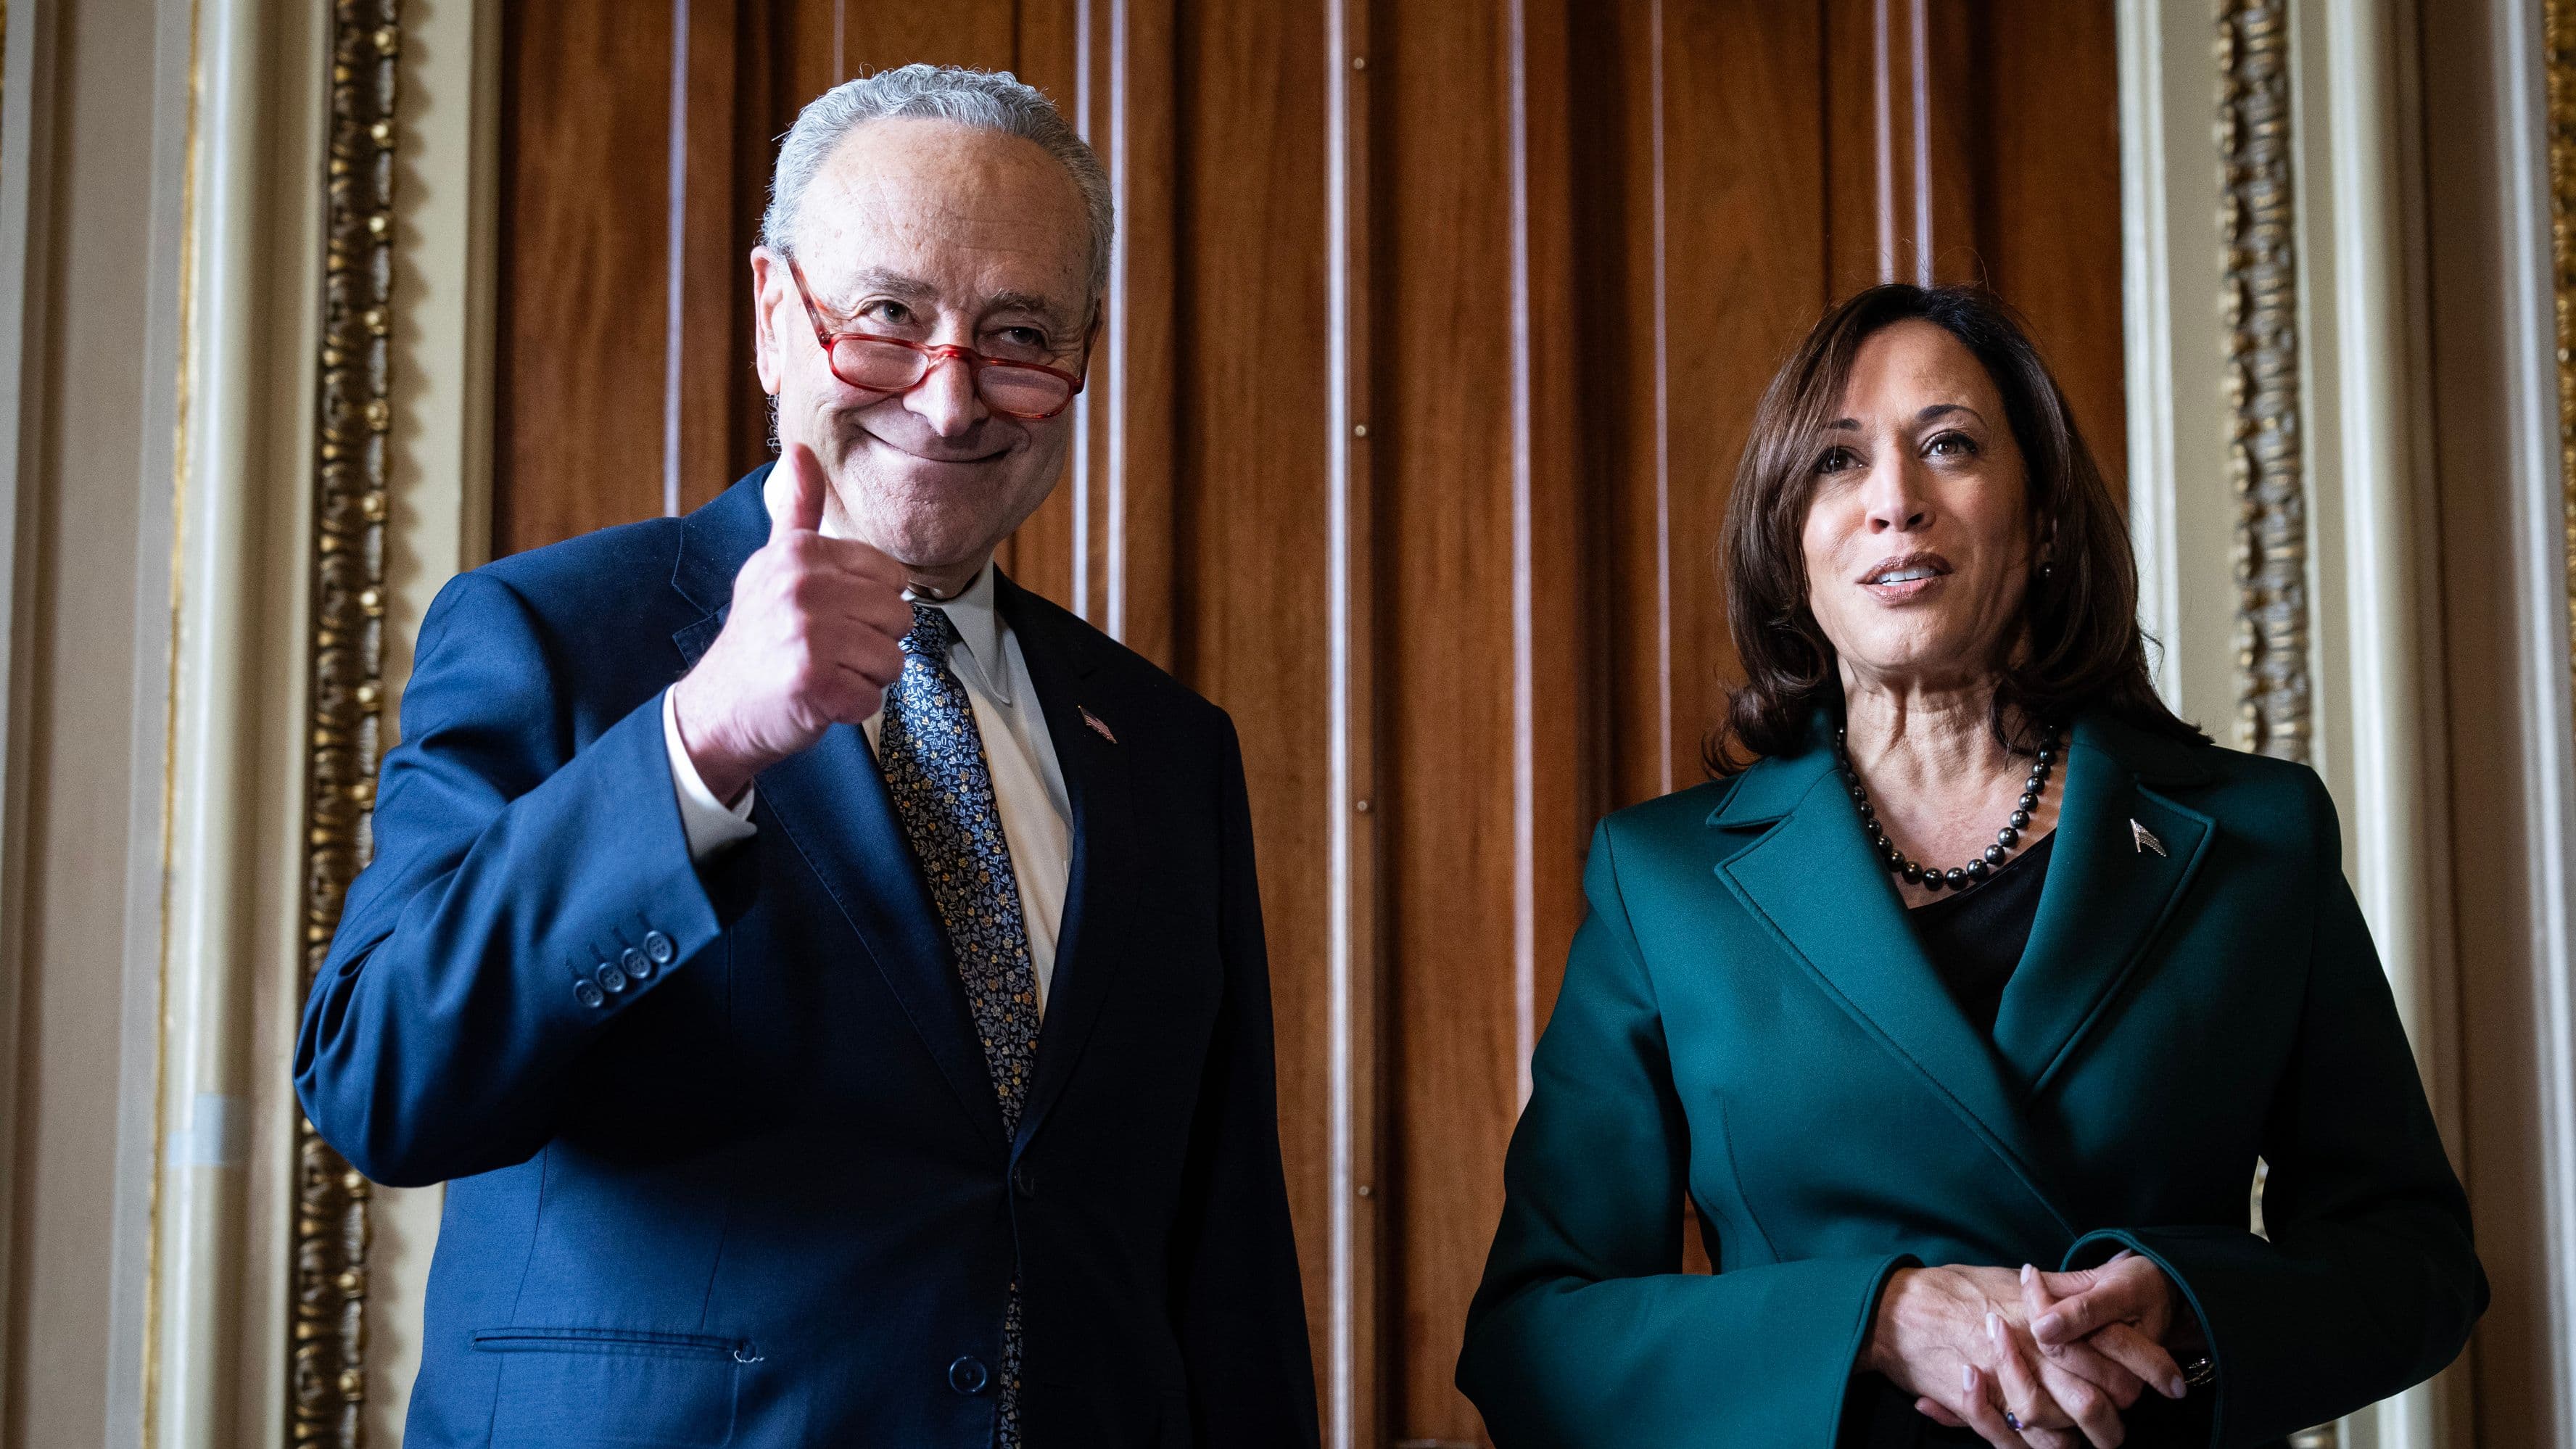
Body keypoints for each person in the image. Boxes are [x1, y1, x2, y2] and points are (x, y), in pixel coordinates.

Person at [296, 65, 1318, 1449]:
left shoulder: (1169, 746)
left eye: (1017, 332)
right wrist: (698, 740)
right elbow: (379, 1081)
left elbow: (1224, 1255)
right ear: (777, 318)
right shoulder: (552, 636)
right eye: (889, 318)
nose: (951, 403)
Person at [1455, 284, 2484, 1448]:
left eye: (1948, 445)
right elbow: (1535, 1334)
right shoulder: (1663, 881)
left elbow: (2415, 1264)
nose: (1895, 500)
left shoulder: (2259, 837)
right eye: (1838, 463)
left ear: (2042, 515)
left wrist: (2191, 1305)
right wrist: (1873, 1319)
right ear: (1792, 541)